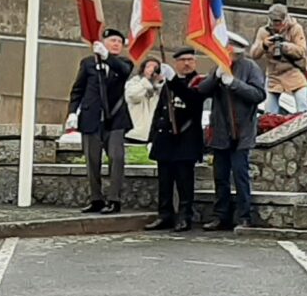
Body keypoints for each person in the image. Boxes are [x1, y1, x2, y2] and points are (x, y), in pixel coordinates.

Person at [201, 46, 269, 230]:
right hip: (221, 131)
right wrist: (216, 76)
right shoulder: (217, 67)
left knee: (240, 175)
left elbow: (258, 95)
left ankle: (244, 216)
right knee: (220, 176)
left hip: (242, 131)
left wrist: (235, 83)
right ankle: (220, 216)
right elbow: (202, 91)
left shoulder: (250, 67)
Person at [67, 29, 135, 213]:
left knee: (117, 157)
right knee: (92, 160)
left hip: (115, 119)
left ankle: (114, 199)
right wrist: (72, 112)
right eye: (112, 40)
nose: (116, 44)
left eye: (119, 42)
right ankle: (96, 198)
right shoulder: (88, 63)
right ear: (102, 42)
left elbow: (124, 71)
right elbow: (78, 90)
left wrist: (107, 58)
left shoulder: (123, 62)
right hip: (92, 118)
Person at [146, 47, 206, 230]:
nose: (187, 63)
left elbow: (192, 100)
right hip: (166, 139)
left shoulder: (199, 82)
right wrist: (152, 136)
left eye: (190, 59)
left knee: (184, 182)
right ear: (176, 63)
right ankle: (164, 214)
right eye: (183, 60)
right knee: (164, 182)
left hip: (186, 138)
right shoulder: (169, 83)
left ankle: (184, 216)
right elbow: (160, 111)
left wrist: (173, 81)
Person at [250, 6, 307, 115]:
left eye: (279, 22)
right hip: (274, 74)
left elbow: (302, 51)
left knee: (303, 110)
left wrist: (285, 46)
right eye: (274, 22)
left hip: (293, 72)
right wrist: (264, 45)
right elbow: (254, 54)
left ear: (285, 19)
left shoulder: (295, 29)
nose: (276, 25)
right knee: (269, 114)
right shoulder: (264, 31)